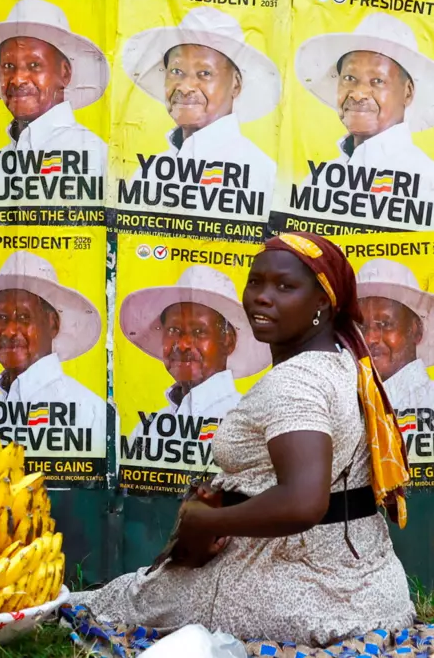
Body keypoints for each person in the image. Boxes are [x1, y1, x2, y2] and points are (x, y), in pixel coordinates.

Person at [70, 232, 414, 649]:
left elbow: (303, 502)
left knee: (112, 602)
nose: (263, 297)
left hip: (307, 595)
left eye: (285, 287)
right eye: (256, 282)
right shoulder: (342, 364)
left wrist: (205, 521)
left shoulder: (296, 383)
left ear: (323, 301)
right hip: (372, 591)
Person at [121, 7, 278, 202]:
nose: (186, 87)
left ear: (235, 84)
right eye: (176, 71)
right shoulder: (150, 170)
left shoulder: (262, 175)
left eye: (205, 73)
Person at [0, 251, 105, 432]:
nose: (10, 331)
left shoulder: (90, 413)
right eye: (0, 317)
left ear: (52, 324)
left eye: (23, 317)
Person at [0, 0, 108, 169]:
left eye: (34, 65)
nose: (18, 79)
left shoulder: (92, 155)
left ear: (65, 72)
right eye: (8, 66)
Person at [120, 265, 271, 428]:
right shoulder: (150, 427)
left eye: (199, 331)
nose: (183, 344)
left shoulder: (247, 423)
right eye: (173, 330)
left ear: (228, 341)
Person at [294, 12, 434, 178]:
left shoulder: (425, 180)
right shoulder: (321, 178)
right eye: (349, 78)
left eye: (378, 81)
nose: (358, 95)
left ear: (408, 92)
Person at [356, 259, 434, 411]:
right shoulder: (348, 404)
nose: (369, 338)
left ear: (416, 330)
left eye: (385, 324)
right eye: (361, 326)